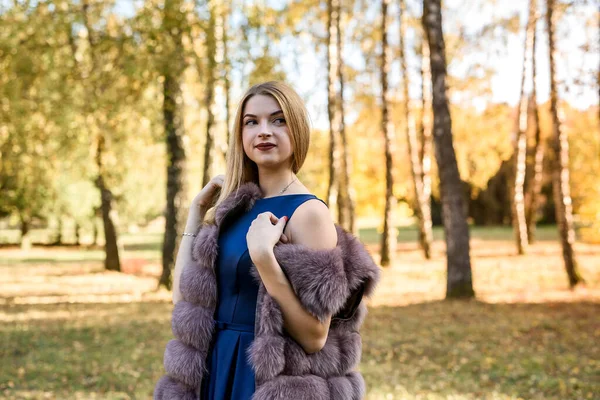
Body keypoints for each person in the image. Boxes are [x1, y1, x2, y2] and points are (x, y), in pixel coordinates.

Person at [154, 81, 379, 400]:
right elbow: (183, 300)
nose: (263, 131)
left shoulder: (308, 212)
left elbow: (315, 336)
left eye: (278, 120)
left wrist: (264, 258)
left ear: (297, 129)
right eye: (251, 122)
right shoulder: (235, 208)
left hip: (263, 379)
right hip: (213, 368)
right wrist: (197, 211)